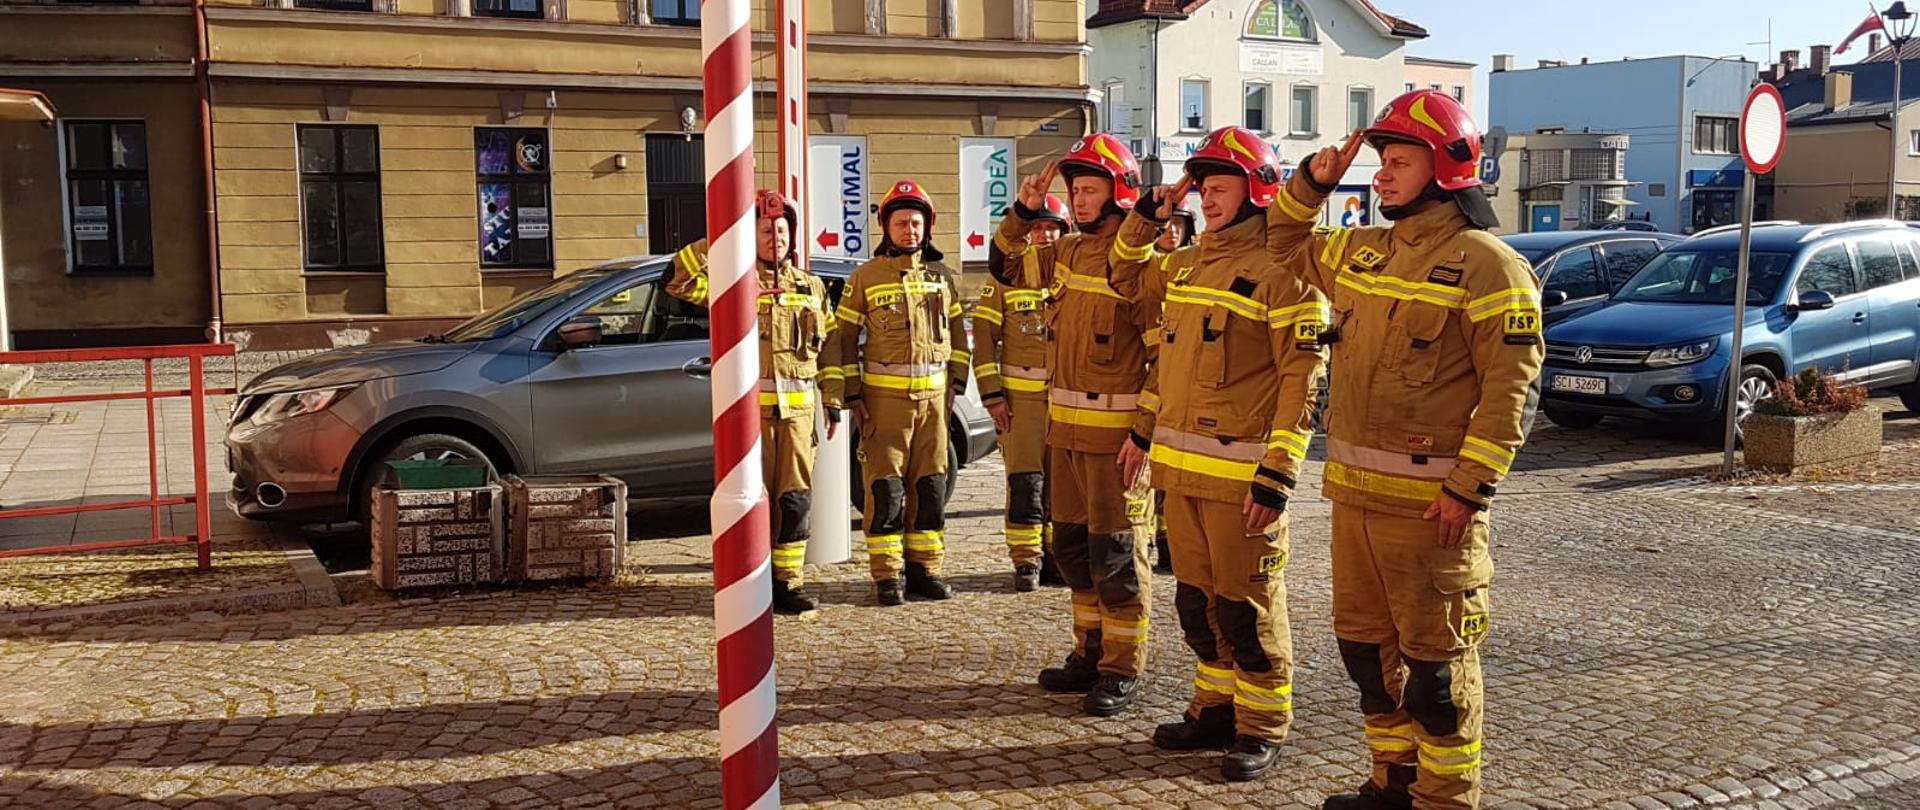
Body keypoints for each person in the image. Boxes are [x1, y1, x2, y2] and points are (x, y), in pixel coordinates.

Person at [1266, 89, 1544, 810]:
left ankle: (1446, 799)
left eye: (1397, 162)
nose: (1381, 175)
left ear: (1447, 169)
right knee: (1367, 659)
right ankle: (1392, 785)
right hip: (1354, 505)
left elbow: (1512, 391)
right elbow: (1282, 245)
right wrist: (1313, 183)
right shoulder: (1364, 250)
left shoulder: (1490, 267)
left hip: (1432, 515)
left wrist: (1468, 488)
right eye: (1382, 161)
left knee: (1436, 676)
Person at [1115, 126, 1326, 782]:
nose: (1206, 196)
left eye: (1219, 185)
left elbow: (1303, 380)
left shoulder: (1287, 273)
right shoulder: (1184, 265)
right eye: (1201, 186)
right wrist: (1153, 210)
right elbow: (1123, 274)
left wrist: (1279, 474)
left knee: (1247, 606)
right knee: (1199, 605)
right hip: (1181, 477)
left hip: (1243, 481)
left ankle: (1262, 725)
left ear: (1258, 189)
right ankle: (1214, 707)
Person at [992, 133, 1161, 718]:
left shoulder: (1142, 269)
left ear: (1120, 195)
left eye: (1090, 190)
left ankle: (1122, 666)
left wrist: (1143, 432)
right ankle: (1088, 652)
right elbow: (1005, 265)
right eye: (1076, 191)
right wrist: (1024, 209)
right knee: (1071, 550)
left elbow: (1163, 358)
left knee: (1116, 556)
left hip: (1116, 446)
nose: (1080, 201)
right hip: (1063, 435)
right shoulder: (1062, 254)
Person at [667, 190, 836, 615]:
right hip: (750, 419)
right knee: (750, 502)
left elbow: (830, 348)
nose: (775, 237)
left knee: (793, 501)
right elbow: (679, 279)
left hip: (798, 417)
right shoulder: (732, 283)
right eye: (764, 230)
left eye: (781, 230)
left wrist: (833, 402)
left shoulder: (811, 287)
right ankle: (750, 582)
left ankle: (788, 583)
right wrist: (722, 240)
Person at [820, 180, 970, 606]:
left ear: (928, 227)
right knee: (885, 490)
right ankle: (888, 577)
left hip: (935, 407)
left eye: (916, 223)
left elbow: (960, 337)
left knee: (931, 488)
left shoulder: (942, 278)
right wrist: (852, 397)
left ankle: (926, 571)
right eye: (901, 222)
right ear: (886, 227)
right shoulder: (864, 277)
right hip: (885, 406)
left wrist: (955, 386)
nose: (910, 231)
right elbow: (842, 340)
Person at [974, 192, 1071, 591]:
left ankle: (1057, 558)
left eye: (1053, 227)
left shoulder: (1075, 278)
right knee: (1025, 480)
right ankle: (1026, 561)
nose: (1045, 234)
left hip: (1067, 402)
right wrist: (993, 396)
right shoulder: (1004, 280)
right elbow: (983, 338)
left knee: (1063, 485)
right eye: (1038, 227)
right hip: (1021, 404)